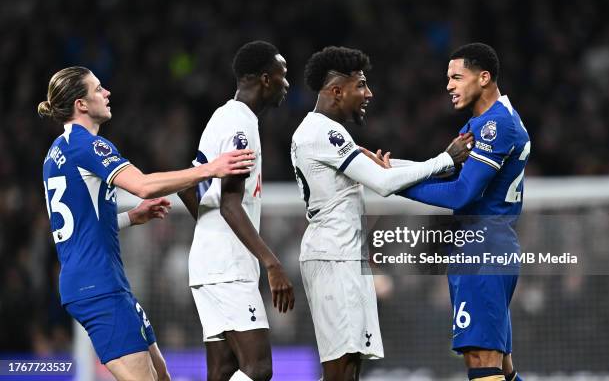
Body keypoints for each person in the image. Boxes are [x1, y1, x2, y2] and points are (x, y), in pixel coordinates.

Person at [39, 66, 255, 381]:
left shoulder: (55, 152)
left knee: (162, 376)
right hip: (97, 286)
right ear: (81, 104)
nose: (107, 92)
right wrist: (211, 169)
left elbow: (78, 223)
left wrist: (130, 217)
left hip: (100, 282)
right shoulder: (88, 146)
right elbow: (143, 185)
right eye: (98, 88)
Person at [290, 46, 472, 381]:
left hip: (341, 256)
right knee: (339, 368)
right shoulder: (323, 133)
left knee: (350, 366)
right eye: (360, 85)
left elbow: (383, 168)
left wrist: (442, 168)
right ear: (336, 91)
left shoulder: (323, 133)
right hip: (333, 257)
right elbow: (383, 182)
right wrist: (445, 160)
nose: (368, 93)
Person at [395, 43, 529, 381]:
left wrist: (395, 184)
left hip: (482, 247)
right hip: (486, 245)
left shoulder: (494, 126)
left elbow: (461, 193)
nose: (449, 86)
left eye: (457, 77)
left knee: (481, 362)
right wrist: (394, 167)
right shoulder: (485, 121)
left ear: (484, 78)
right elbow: (451, 174)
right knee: (502, 367)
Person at [177, 41, 295, 381]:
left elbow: (188, 188)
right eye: (282, 76)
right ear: (265, 79)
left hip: (208, 264)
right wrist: (271, 263)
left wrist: (210, 233)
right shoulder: (241, 126)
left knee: (225, 370)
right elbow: (230, 203)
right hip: (228, 268)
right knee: (258, 369)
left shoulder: (222, 116)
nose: (287, 84)